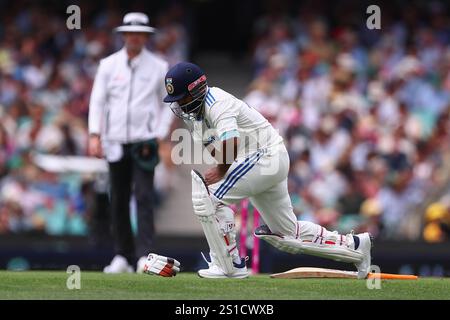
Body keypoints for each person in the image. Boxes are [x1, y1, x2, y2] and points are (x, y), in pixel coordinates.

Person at [163, 62, 373, 279]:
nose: (179, 105)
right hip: (264, 160)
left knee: (210, 197)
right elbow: (219, 152)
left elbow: (231, 143)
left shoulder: (217, 103)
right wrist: (223, 165)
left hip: (265, 156)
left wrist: (222, 171)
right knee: (289, 235)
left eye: (182, 99)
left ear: (196, 90)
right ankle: (356, 245)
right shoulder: (195, 118)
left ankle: (229, 265)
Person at [88, 12, 174, 273]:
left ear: (145, 36)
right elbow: (98, 101)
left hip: (143, 142)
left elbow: (168, 104)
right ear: (124, 35)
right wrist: (95, 134)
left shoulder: (159, 66)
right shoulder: (108, 65)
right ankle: (122, 256)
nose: (135, 37)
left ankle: (144, 256)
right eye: (131, 32)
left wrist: (158, 133)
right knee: (118, 198)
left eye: (140, 33)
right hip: (114, 140)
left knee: (145, 197)